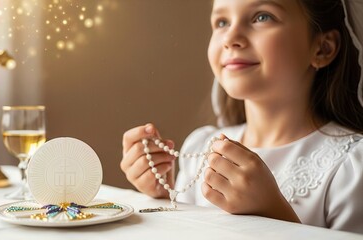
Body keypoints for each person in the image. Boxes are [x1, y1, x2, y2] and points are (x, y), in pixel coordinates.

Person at [120, 0, 363, 234]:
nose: (231, 38)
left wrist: (273, 214)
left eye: (262, 17)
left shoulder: (351, 168)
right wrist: (164, 196)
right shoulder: (201, 150)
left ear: (323, 48)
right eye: (222, 22)